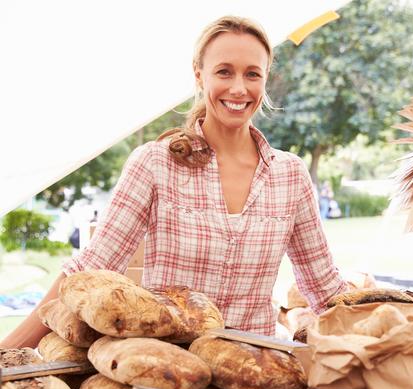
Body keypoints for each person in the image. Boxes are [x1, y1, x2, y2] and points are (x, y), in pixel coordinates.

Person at [2, 16, 346, 348]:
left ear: (265, 78)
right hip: (168, 371)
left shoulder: (290, 175)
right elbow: (86, 272)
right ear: (199, 76)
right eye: (224, 71)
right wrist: (7, 352)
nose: (239, 88)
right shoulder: (155, 162)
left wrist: (394, 328)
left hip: (254, 373)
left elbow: (326, 289)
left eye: (252, 74)